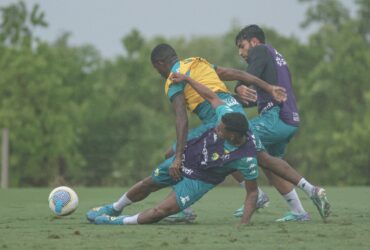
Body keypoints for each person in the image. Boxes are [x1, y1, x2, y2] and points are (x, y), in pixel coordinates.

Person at [86, 81, 260, 225]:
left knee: (161, 211)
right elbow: (211, 96)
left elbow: (252, 192)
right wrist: (187, 79)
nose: (216, 128)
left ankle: (115, 221)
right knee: (149, 183)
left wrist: (244, 223)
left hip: (200, 179)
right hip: (187, 157)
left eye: (221, 130)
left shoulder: (247, 158)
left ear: (233, 135)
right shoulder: (227, 115)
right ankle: (114, 208)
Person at [150, 43, 286, 222]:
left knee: (175, 153)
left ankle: (185, 209)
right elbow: (236, 74)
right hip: (226, 115)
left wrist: (178, 155)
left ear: (160, 64)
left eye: (156, 69)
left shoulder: (174, 79)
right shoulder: (197, 63)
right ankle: (299, 195)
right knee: (241, 157)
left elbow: (182, 119)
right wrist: (267, 87)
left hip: (219, 122)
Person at [169, 72, 330, 222]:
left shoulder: (199, 76)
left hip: (229, 126)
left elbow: (211, 94)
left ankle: (185, 209)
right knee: (266, 160)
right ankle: (310, 191)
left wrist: (188, 79)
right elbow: (232, 79)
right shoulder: (214, 81)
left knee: (174, 152)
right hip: (243, 126)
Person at [229, 24, 309, 221]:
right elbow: (262, 97)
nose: (240, 52)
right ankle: (299, 212)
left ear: (254, 42)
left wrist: (239, 85)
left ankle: (256, 196)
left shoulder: (261, 50)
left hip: (275, 118)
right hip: (289, 119)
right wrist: (228, 99)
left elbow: (251, 75)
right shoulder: (275, 56)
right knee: (269, 164)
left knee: (229, 139)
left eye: (242, 46)